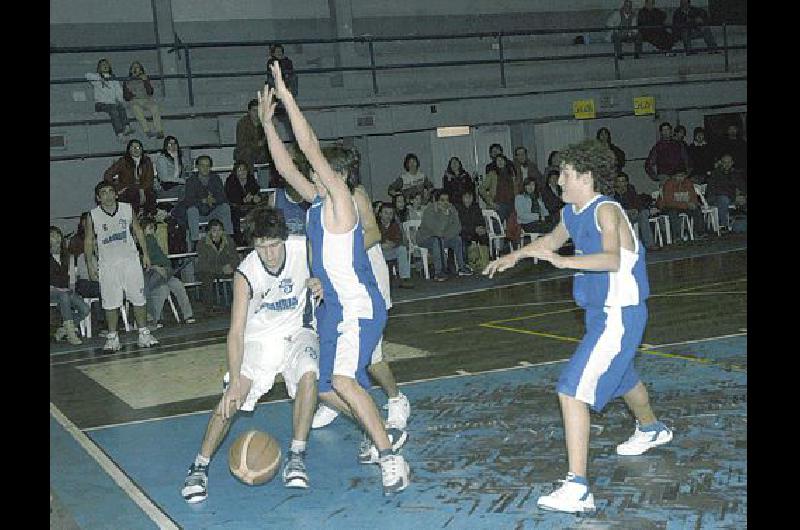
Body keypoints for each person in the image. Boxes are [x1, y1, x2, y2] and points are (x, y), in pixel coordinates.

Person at [483, 139, 672, 513]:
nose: (559, 181)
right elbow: (550, 241)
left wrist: (565, 263)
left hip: (620, 312)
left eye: (566, 175)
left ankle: (578, 487)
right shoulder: (573, 212)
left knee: (571, 391)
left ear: (586, 177)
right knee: (623, 378)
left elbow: (613, 258)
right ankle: (652, 429)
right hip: (600, 313)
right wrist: (514, 256)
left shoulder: (606, 211)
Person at [260, 61, 409, 495]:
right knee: (327, 388)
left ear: (334, 175)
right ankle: (378, 428)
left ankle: (390, 457)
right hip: (334, 308)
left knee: (343, 380)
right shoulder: (314, 206)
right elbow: (287, 168)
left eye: (319, 171)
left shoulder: (342, 200)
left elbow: (306, 149)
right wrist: (268, 124)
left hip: (358, 308)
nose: (310, 175)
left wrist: (287, 101)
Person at [180, 205, 322, 503]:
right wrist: (234, 381)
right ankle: (199, 466)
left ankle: (296, 456)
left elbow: (328, 273)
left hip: (298, 331)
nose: (269, 254)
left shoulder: (304, 248)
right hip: (260, 340)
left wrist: (320, 281)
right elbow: (235, 331)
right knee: (233, 396)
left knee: (309, 371)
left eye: (273, 245)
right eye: (261, 247)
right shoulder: (246, 273)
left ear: (284, 238)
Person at [312, 190, 412, 429]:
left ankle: (396, 399)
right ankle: (336, 400)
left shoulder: (354, 194)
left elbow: (374, 233)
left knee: (371, 356)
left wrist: (340, 252)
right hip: (338, 286)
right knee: (333, 346)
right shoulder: (321, 197)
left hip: (367, 286)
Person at [84, 181, 159, 351]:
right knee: (111, 303)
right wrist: (90, 264)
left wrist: (145, 253)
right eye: (103, 192)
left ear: (116, 194)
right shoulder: (93, 215)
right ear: (98, 197)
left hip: (130, 261)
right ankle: (112, 337)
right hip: (108, 264)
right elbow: (89, 240)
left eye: (111, 191)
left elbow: (138, 230)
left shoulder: (126, 208)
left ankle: (143, 333)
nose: (108, 195)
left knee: (139, 298)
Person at [140, 218, 195, 326]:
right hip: (151, 274)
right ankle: (152, 319)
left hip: (164, 272)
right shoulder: (141, 243)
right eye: (149, 228)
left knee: (178, 285)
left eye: (153, 228)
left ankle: (188, 315)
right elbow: (140, 262)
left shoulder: (153, 241)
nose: (151, 231)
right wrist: (155, 268)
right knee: (159, 289)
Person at [417, 189, 473, 281]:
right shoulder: (429, 210)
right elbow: (436, 231)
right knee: (437, 241)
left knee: (457, 239)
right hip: (426, 238)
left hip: (444, 237)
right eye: (442, 200)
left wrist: (446, 235)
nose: (445, 203)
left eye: (447, 200)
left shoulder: (452, 208)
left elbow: (457, 227)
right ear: (436, 201)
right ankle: (439, 272)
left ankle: (462, 267)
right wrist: (444, 215)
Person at [50, 226, 90, 345]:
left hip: (65, 290)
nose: (55, 238)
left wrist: (71, 289)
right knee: (63, 295)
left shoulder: (68, 256)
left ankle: (63, 329)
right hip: (52, 290)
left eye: (57, 235)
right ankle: (71, 333)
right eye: (52, 236)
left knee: (85, 309)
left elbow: (71, 278)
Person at [184, 155, 235, 245]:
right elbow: (188, 200)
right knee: (191, 210)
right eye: (202, 165)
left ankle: (229, 237)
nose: (205, 168)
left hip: (213, 211)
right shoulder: (191, 181)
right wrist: (203, 201)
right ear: (197, 166)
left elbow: (223, 197)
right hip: (198, 213)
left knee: (225, 207)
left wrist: (213, 200)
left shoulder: (216, 178)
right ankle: (195, 241)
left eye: (207, 165)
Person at [195, 219, 241, 313]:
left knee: (241, 276)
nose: (217, 233)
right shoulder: (202, 243)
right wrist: (220, 269)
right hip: (209, 270)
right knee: (206, 277)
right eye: (214, 230)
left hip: (227, 268)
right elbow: (203, 264)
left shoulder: (229, 240)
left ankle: (240, 304)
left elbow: (235, 257)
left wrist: (232, 266)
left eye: (219, 230)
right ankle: (209, 307)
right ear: (209, 232)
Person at [103, 138, 157, 217]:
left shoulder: (147, 161)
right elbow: (108, 175)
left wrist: (141, 190)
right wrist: (116, 189)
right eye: (133, 147)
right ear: (129, 150)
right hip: (128, 190)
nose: (135, 149)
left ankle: (148, 218)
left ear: (142, 149)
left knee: (151, 195)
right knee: (132, 196)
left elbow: (149, 179)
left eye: (138, 147)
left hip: (144, 189)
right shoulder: (123, 161)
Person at [85, 58, 133, 141]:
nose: (105, 66)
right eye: (102, 65)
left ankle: (127, 126)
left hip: (113, 103)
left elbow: (119, 91)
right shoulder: (96, 78)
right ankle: (119, 133)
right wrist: (100, 79)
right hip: (101, 104)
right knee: (113, 110)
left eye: (106, 64)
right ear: (99, 68)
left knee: (121, 107)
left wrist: (121, 101)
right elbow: (87, 75)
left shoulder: (113, 78)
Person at [611, 172, 658, 251]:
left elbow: (637, 202)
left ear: (627, 182)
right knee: (625, 218)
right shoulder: (612, 192)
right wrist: (626, 211)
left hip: (632, 213)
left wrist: (636, 209)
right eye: (619, 181)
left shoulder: (630, 189)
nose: (621, 184)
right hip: (620, 215)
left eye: (623, 181)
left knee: (643, 214)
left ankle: (649, 244)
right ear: (615, 183)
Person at [656, 168, 706, 241]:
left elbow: (693, 196)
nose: (680, 178)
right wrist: (686, 205)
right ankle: (677, 236)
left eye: (682, 176)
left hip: (684, 205)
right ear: (673, 176)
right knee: (672, 213)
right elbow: (669, 201)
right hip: (669, 206)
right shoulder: (668, 184)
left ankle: (699, 233)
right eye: (678, 176)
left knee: (697, 209)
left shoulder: (688, 183)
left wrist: (693, 203)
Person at [224, 161, 263, 244]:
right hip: (236, 207)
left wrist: (256, 198)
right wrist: (243, 200)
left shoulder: (251, 179)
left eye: (244, 169)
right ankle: (238, 240)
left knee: (258, 212)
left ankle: (256, 236)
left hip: (250, 206)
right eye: (239, 170)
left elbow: (257, 192)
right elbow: (230, 197)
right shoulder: (230, 181)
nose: (242, 172)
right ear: (235, 172)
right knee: (234, 215)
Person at [123, 61, 164, 139]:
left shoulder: (145, 78)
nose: (135, 69)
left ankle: (159, 130)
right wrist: (132, 94)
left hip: (146, 100)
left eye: (137, 67)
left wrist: (145, 81)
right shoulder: (127, 81)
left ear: (141, 70)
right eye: (133, 68)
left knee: (155, 107)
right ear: (130, 70)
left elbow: (150, 92)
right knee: (136, 108)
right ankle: (147, 130)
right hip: (135, 101)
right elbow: (126, 97)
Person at [705, 154, 745, 231]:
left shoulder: (736, 173)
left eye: (729, 162)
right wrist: (735, 196)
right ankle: (723, 226)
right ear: (721, 163)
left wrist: (742, 195)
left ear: (732, 162)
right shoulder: (716, 173)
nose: (727, 165)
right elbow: (718, 190)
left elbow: (743, 186)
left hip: (731, 196)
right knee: (723, 199)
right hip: (715, 197)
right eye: (724, 162)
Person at [480, 153, 519, 224]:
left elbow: (516, 189)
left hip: (511, 205)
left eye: (502, 160)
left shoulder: (511, 173)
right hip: (498, 205)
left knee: (512, 229)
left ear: (505, 161)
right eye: (498, 160)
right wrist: (490, 201)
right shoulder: (492, 174)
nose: (500, 162)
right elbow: (481, 188)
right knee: (496, 229)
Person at [233, 99, 271, 173]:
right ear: (249, 111)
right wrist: (257, 144)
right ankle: (250, 180)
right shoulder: (242, 123)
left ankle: (274, 181)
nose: (256, 113)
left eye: (258, 110)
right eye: (254, 110)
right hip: (246, 153)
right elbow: (241, 144)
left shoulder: (265, 122)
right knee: (247, 153)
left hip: (260, 153)